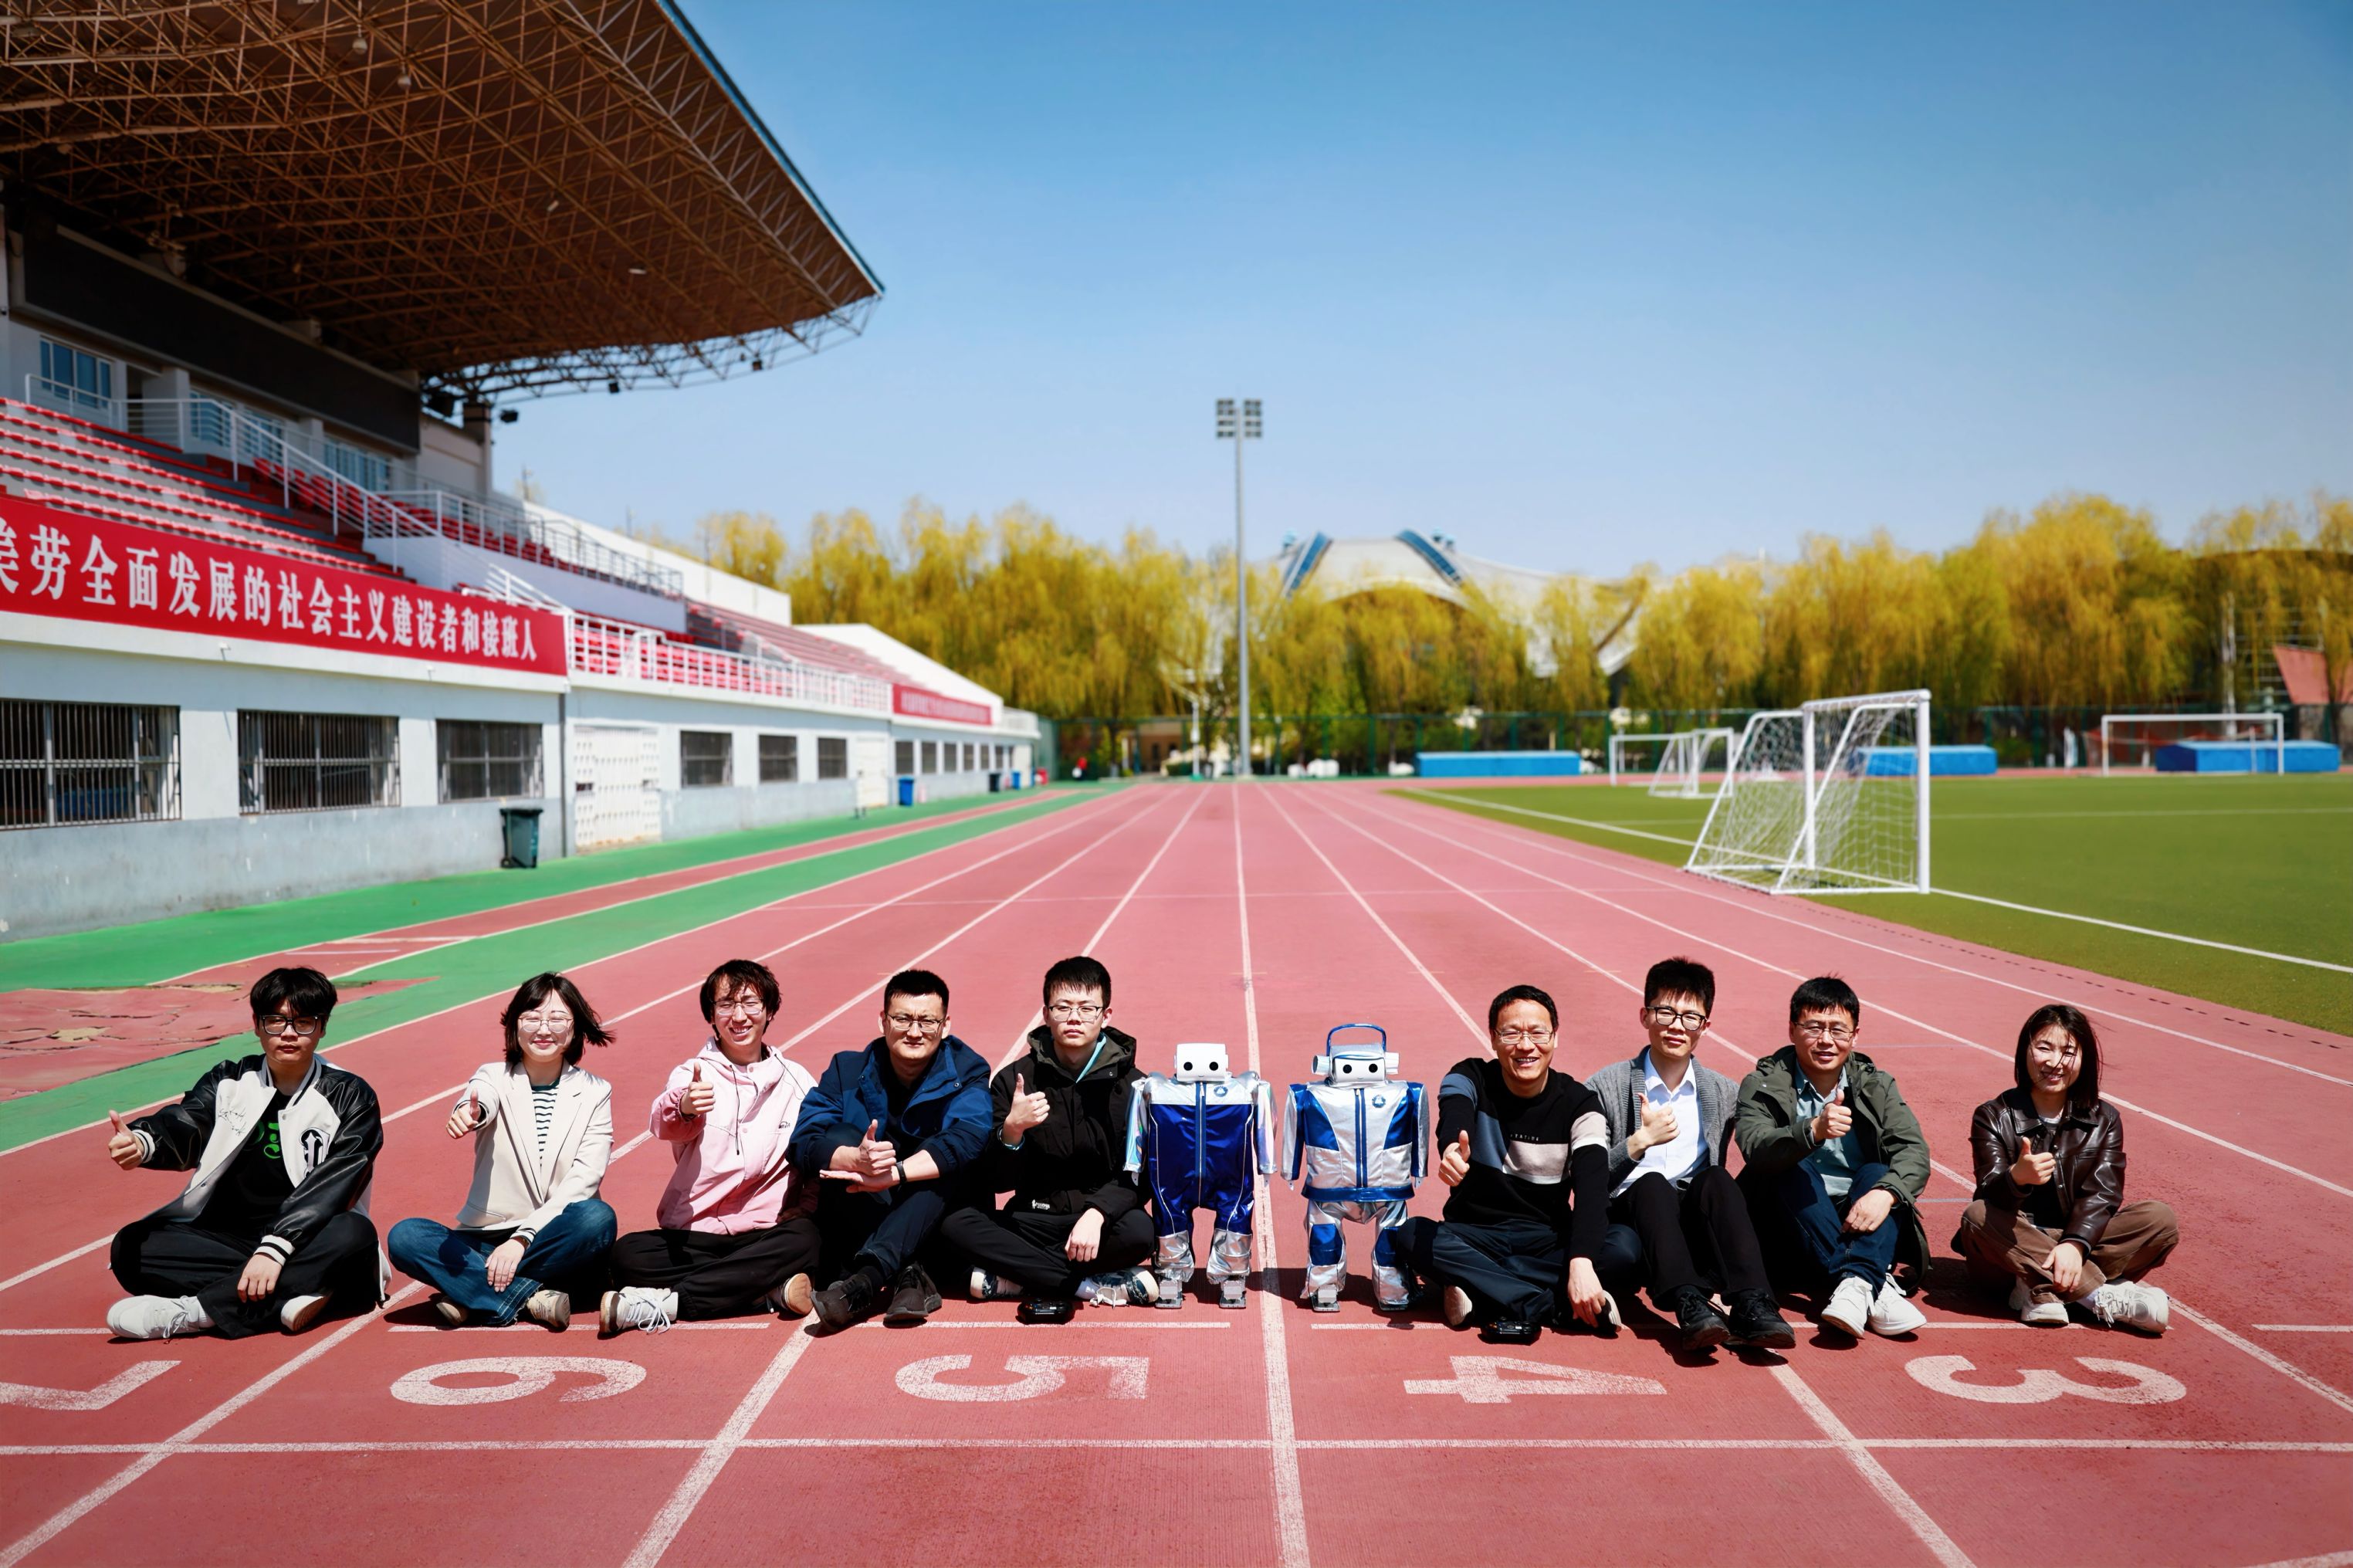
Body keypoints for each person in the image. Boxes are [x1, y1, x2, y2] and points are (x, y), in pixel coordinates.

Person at [103, 967, 383, 1339]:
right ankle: (297, 1290)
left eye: (303, 1022)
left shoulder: (351, 1096)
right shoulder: (230, 1081)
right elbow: (187, 1122)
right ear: (256, 1025)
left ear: (322, 1028)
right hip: (231, 1239)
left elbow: (336, 1184)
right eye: (275, 1021)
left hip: (307, 1237)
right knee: (130, 1247)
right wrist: (144, 1142)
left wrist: (277, 1247)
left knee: (353, 1232)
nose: (288, 1033)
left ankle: (197, 1313)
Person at [601, 959, 821, 1336]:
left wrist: (807, 1204)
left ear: (769, 1011)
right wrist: (685, 1106)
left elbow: (814, 1151)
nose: (739, 1016)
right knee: (626, 1257)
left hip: (765, 1232)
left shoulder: (797, 1080)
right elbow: (664, 1123)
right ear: (711, 1015)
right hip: (697, 1234)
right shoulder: (692, 1074)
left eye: (750, 1003)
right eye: (726, 1005)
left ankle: (667, 1304)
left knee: (809, 1238)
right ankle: (764, 1292)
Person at [387, 972, 618, 1330]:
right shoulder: (494, 1076)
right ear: (514, 1026)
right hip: (487, 1238)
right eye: (532, 1018)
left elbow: (584, 1181)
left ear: (575, 1028)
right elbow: (481, 1099)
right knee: (405, 1236)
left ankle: (471, 1292)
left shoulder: (595, 1091)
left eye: (557, 1018)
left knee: (597, 1218)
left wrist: (522, 1240)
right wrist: (470, 1113)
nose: (544, 1029)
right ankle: (529, 1297)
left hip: (553, 1236)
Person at [1587, 957, 1795, 1350]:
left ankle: (1753, 1301)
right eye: (1665, 1012)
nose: (1677, 1025)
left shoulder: (1723, 1091)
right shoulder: (1605, 1084)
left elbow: (1763, 1139)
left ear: (1706, 1026)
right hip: (1631, 1212)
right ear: (1645, 1016)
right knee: (1652, 1183)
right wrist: (1638, 1142)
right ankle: (1689, 1303)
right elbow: (1586, 1174)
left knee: (1717, 1178)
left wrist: (1813, 1129)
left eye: (1690, 1017)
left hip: (1689, 1215)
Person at [1394, 984, 1616, 1339]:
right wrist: (1451, 1149)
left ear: (1555, 1037)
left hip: (1547, 1238)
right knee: (1411, 1235)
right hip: (1475, 1233)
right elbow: (1455, 1112)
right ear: (1494, 1039)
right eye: (1511, 1033)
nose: (1525, 1045)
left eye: (1537, 1033)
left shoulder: (1581, 1104)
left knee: (1625, 1249)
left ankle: (1481, 1289)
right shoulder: (1469, 1076)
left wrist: (1581, 1262)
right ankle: (1545, 1305)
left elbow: (1593, 1190)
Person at [942, 956, 1156, 1307]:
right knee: (956, 1224)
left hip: (1100, 1222)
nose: (1074, 1018)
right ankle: (1087, 1285)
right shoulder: (1014, 1081)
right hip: (1033, 1217)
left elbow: (1139, 1174)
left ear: (1105, 1016)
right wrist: (1012, 1132)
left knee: (1140, 1233)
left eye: (1087, 1008)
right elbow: (994, 1181)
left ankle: (1018, 1277)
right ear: (1046, 1014)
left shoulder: (1134, 1087)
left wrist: (1097, 1213)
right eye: (1062, 1007)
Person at [1953, 1003, 2177, 1334]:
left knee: (2159, 1219)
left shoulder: (2104, 1118)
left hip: (2072, 1244)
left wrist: (2075, 1244)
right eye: (2044, 1048)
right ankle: (2097, 1296)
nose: (2055, 1062)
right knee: (1977, 1216)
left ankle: (2037, 1286)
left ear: (2085, 1059)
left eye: (2068, 1052)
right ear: (2025, 1052)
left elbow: (2103, 1194)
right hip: (2013, 1242)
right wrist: (2017, 1179)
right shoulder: (1993, 1115)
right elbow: (1989, 1193)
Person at [790, 968, 992, 1329]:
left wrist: (896, 1174)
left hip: (937, 1218)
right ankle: (908, 1273)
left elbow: (970, 1136)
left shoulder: (967, 1070)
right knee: (840, 1135)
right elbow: (804, 1140)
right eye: (902, 1019)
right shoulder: (846, 1069)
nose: (914, 1032)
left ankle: (866, 1281)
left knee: (942, 1158)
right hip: (862, 1213)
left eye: (927, 1021)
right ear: (883, 1021)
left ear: (945, 1026)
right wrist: (854, 1159)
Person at [1733, 976, 1931, 1339]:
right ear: (1792, 1030)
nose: (1826, 1040)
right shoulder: (1762, 1082)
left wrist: (1885, 1194)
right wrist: (1812, 1131)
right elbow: (1755, 1145)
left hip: (1856, 1215)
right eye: (1814, 1027)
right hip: (1790, 1220)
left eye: (1838, 1030)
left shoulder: (1876, 1084)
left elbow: (1913, 1151)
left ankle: (1856, 1285)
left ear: (1855, 1036)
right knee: (1793, 1167)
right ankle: (1870, 1280)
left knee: (1878, 1172)